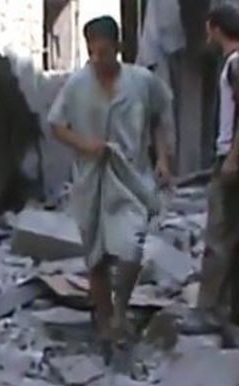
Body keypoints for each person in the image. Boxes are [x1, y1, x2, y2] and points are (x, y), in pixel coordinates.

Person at [47, 15, 174, 358]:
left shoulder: (141, 81)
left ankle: (121, 308)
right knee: (97, 255)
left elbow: (162, 115)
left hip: (131, 176)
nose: (98, 59)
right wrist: (84, 144)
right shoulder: (77, 84)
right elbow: (56, 125)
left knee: (131, 247)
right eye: (92, 52)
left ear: (118, 47)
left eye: (104, 51)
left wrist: (163, 159)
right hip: (91, 179)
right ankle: (106, 321)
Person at [188, 5, 239, 332]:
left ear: (216, 28)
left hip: (237, 159)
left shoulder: (236, 65)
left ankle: (208, 311)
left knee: (218, 236)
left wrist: (232, 156)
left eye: (209, 28)